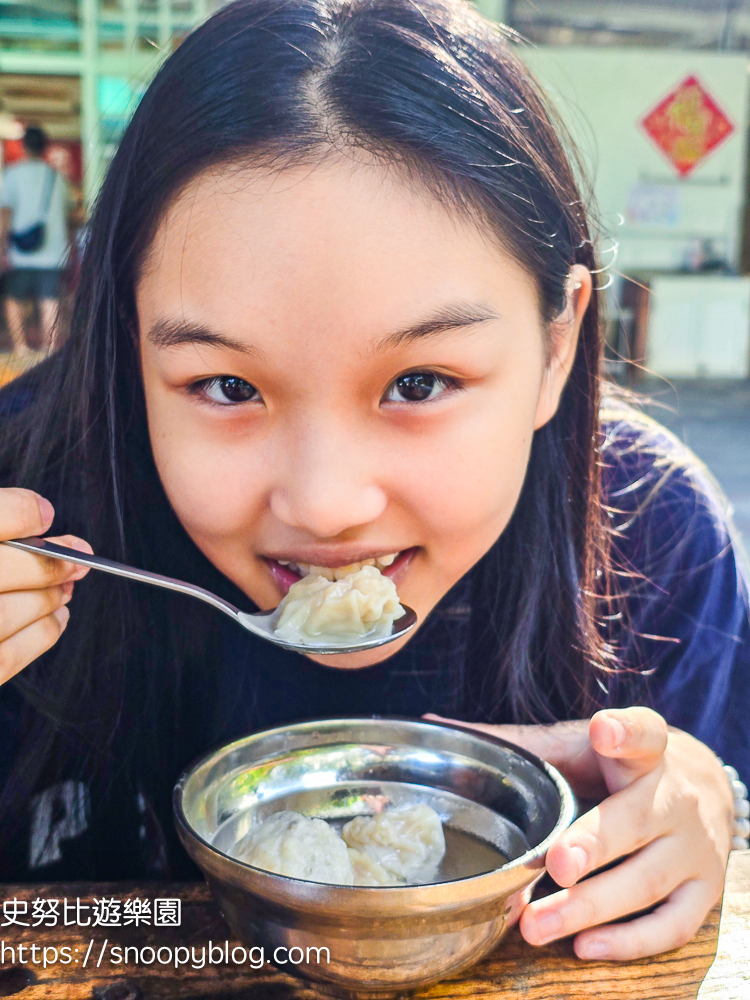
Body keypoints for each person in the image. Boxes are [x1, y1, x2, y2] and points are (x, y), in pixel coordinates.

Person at [0, 0, 747, 966]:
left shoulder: (653, 533)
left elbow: (705, 831)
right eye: (226, 386)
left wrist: (709, 808)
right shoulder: (31, 512)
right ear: (127, 343)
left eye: (419, 383)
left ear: (557, 347)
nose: (323, 503)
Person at [0, 126, 71, 358]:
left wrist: (2, 246)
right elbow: (67, 214)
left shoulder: (12, 174)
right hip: (53, 251)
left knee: (14, 298)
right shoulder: (58, 177)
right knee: (49, 300)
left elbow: (5, 214)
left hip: (20, 251)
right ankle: (49, 350)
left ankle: (21, 348)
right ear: (45, 147)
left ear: (23, 146)